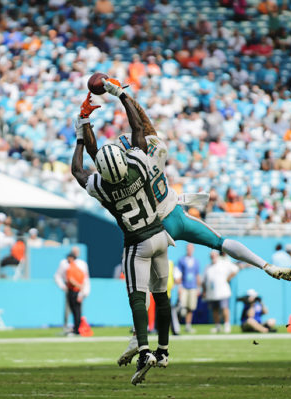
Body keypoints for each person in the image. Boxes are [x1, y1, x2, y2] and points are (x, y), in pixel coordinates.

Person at [88, 80, 291, 365]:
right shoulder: (154, 154)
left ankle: (139, 337)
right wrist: (122, 94)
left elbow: (103, 160)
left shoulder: (129, 169)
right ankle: (265, 265)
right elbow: (144, 127)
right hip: (179, 216)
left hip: (155, 226)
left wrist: (84, 125)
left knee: (141, 286)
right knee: (219, 242)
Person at [72, 84, 171, 385]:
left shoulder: (102, 186)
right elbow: (138, 127)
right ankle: (164, 350)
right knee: (162, 296)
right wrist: (121, 94)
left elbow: (79, 170)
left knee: (137, 298)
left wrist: (81, 132)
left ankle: (144, 350)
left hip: (137, 243)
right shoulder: (139, 165)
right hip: (160, 234)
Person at [54, 247, 90, 334]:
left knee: (76, 310)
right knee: (73, 310)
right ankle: (74, 328)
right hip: (73, 289)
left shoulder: (74, 267)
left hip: (75, 290)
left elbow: (72, 279)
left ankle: (77, 329)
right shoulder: (66, 265)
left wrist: (82, 289)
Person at [202, 251, 238, 333]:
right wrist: (204, 291)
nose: (212, 257)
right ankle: (217, 326)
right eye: (211, 256)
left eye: (214, 255)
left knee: (224, 308)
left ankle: (227, 325)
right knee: (215, 310)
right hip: (212, 293)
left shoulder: (224, 263)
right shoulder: (208, 267)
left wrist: (228, 278)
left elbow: (235, 269)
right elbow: (203, 280)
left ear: (217, 255)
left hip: (223, 292)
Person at [177, 243, 201, 333]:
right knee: (182, 308)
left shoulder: (196, 261)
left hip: (193, 287)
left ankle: (188, 325)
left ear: (193, 249)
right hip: (184, 287)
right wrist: (179, 286)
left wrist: (199, 288)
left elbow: (197, 275)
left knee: (190, 307)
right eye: (188, 248)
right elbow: (178, 274)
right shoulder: (181, 260)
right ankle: (177, 325)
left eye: (191, 248)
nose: (189, 250)